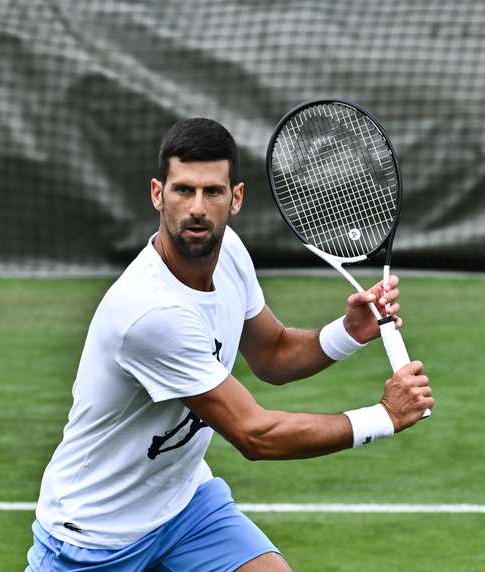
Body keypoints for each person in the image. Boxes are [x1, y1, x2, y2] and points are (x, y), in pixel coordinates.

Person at [26, 118, 434, 571]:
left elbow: (273, 353)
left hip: (184, 508)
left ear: (235, 198)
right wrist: (383, 417)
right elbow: (255, 434)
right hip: (96, 537)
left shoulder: (231, 254)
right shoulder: (150, 314)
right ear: (157, 194)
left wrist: (347, 331)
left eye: (212, 192)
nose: (197, 207)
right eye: (183, 190)